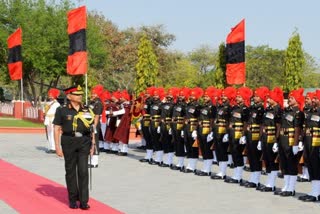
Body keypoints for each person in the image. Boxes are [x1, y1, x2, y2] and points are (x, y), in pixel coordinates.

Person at [53, 85, 95, 210]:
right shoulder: (62, 110)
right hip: (68, 141)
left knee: (83, 171)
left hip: (84, 141)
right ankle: (72, 199)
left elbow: (92, 129)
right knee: (70, 171)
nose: (80, 96)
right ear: (69, 96)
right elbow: (56, 128)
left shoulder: (87, 109)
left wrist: (93, 145)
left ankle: (83, 201)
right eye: (77, 94)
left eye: (81, 94)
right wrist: (57, 147)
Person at [274, 88, 304, 197]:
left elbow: (297, 129)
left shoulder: (298, 113)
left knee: (291, 164)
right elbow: (280, 125)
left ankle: (291, 188)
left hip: (291, 140)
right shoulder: (286, 111)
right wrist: (277, 141)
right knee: (284, 164)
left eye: (291, 98)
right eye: (289, 98)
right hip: (283, 139)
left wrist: (296, 144)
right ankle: (285, 186)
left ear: (297, 100)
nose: (289, 99)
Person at [88, 85, 104, 168]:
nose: (92, 95)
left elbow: (97, 116)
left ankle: (94, 162)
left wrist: (94, 126)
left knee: (95, 141)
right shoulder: (92, 102)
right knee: (90, 141)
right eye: (92, 93)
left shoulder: (98, 103)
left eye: (95, 94)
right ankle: (90, 159)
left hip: (95, 124)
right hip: (89, 123)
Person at [44, 88, 60, 153]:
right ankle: (51, 147)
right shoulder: (48, 103)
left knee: (53, 133)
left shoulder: (57, 104)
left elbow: (58, 113)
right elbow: (45, 111)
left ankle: (54, 148)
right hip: (48, 119)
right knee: (49, 134)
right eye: (50, 95)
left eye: (52, 95)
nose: (50, 96)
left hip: (53, 119)